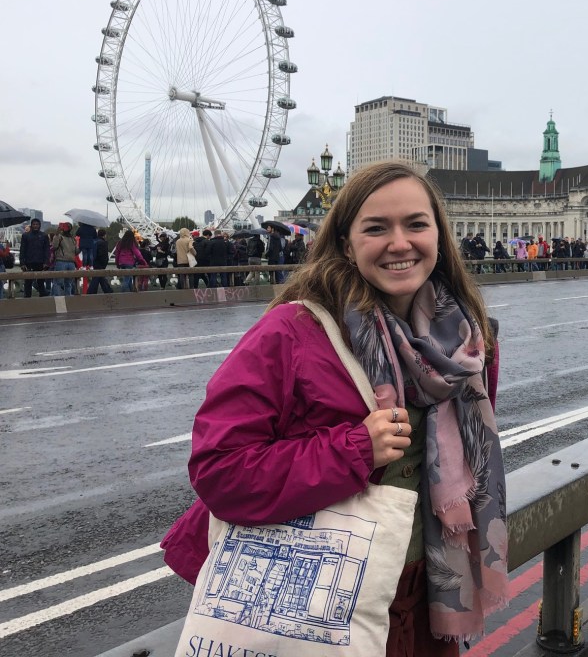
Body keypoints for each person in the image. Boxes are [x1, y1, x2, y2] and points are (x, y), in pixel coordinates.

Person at [161, 161, 508, 654]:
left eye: (416, 224)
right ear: (346, 244)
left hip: (427, 598)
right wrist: (356, 449)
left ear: (438, 234)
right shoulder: (291, 332)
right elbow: (219, 470)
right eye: (376, 228)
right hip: (321, 605)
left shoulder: (468, 344)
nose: (399, 243)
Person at [51, 222, 79, 295]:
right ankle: (66, 298)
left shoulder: (63, 237)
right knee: (66, 283)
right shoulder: (71, 238)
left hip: (63, 261)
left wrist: (56, 234)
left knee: (59, 282)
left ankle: (59, 299)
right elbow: (76, 252)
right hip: (69, 262)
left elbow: (54, 246)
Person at [87, 229, 113, 294]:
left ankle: (108, 291)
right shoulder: (103, 243)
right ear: (104, 235)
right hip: (100, 264)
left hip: (94, 262)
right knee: (97, 277)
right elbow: (103, 255)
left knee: (99, 277)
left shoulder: (94, 241)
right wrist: (104, 264)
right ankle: (91, 293)